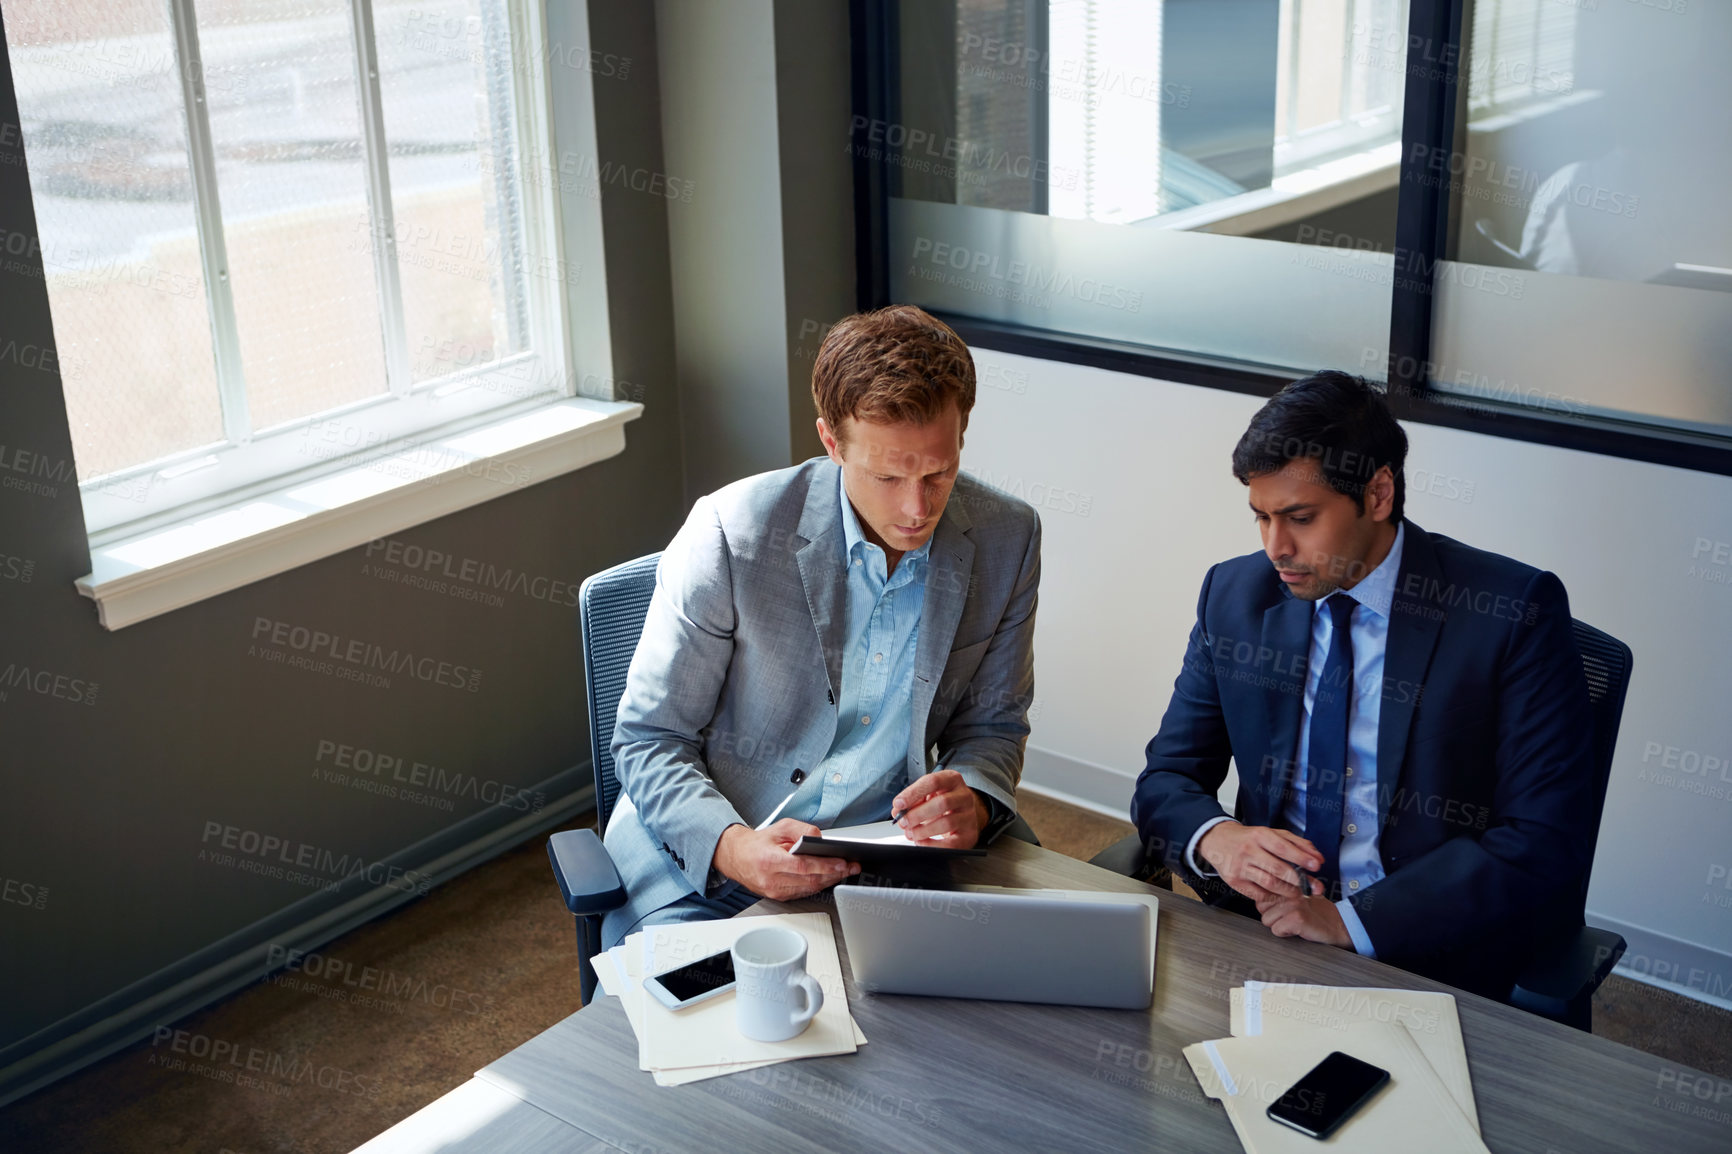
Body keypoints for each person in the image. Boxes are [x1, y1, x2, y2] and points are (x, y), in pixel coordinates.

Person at [1131, 370, 1595, 998]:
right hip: (1263, 933)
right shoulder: (1234, 596)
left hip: (1428, 950)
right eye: (1261, 518)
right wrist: (1221, 839)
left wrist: (1354, 920)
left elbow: (1541, 839)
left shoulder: (1510, 613)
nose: (1276, 547)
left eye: (1300, 517)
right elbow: (1166, 780)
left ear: (1378, 494)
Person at [601, 305, 1041, 947]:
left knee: (1028, 994)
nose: (917, 509)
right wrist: (733, 849)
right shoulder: (731, 532)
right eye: (888, 476)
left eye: (938, 472)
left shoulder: (1009, 537)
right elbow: (649, 737)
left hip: (896, 859)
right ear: (831, 443)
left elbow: (994, 727)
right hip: (719, 859)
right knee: (704, 1024)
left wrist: (971, 799)